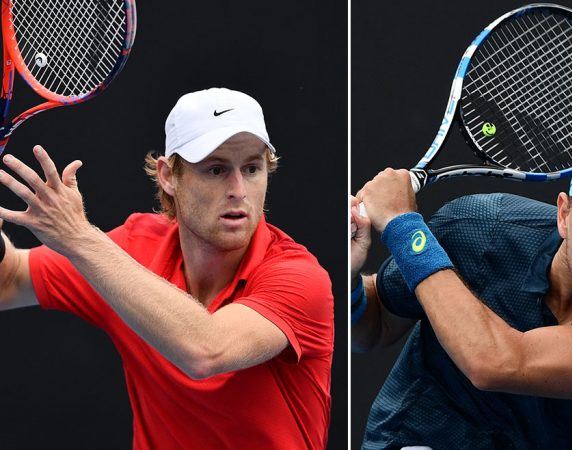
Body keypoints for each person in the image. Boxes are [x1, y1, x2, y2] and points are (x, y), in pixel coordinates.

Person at [0, 88, 334, 449]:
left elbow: (206, 350)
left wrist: (79, 238)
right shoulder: (134, 248)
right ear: (168, 176)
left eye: (252, 168)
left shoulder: (301, 278)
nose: (239, 189)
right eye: (216, 169)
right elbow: (8, 280)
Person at [351, 129, 572, 449]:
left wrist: (404, 228)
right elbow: (375, 326)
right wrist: (348, 277)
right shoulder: (479, 227)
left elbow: (495, 364)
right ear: (563, 214)